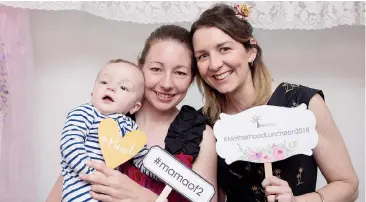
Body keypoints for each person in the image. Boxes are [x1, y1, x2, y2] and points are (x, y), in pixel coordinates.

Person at [190, 3, 359, 202]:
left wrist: (297, 201)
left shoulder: (302, 104)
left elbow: (349, 186)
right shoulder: (204, 123)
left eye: (225, 49)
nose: (215, 64)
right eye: (203, 56)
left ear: (251, 51)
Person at [47, 25, 218, 202]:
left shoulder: (198, 135)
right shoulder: (106, 117)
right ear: (140, 67)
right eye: (156, 69)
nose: (167, 83)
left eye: (180, 72)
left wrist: (146, 198)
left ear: (192, 79)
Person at [60, 59, 151, 202]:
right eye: (104, 82)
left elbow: (142, 158)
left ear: (135, 107)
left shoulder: (130, 127)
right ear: (92, 92)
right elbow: (70, 144)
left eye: (123, 88)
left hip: (110, 195)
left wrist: (163, 171)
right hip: (80, 192)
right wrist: (95, 175)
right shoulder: (84, 113)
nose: (111, 88)